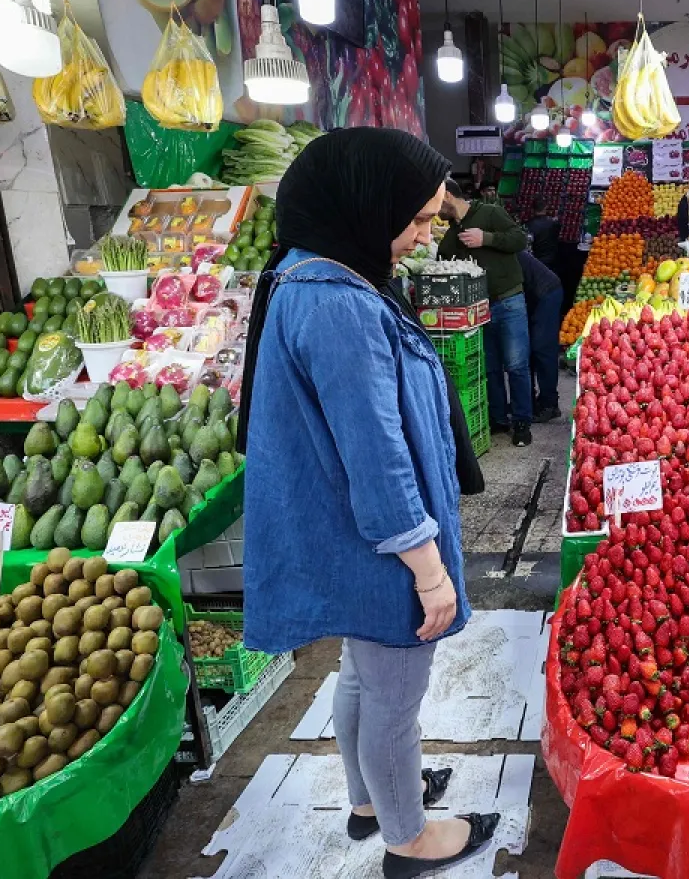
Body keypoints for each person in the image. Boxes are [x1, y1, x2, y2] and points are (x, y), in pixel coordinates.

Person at [238, 128, 499, 879]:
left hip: (349, 537)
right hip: (378, 542)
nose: (424, 236)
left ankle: (367, 800)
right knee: (394, 691)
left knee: (359, 670)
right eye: (416, 220)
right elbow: (378, 458)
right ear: (363, 205)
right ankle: (409, 837)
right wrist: (427, 568)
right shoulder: (340, 307)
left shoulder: (312, 274)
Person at [437, 178, 534, 447]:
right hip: (478, 309)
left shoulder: (490, 212)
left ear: (447, 197)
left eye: (437, 205)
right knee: (489, 367)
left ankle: (522, 422)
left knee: (516, 365)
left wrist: (486, 238)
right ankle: (499, 420)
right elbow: (443, 257)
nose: (436, 212)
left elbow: (519, 239)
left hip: (509, 300)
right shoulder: (452, 234)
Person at [517, 249, 563, 422]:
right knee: (529, 349)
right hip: (533, 295)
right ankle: (533, 401)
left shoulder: (501, 247)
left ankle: (550, 404)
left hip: (546, 293)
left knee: (543, 348)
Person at [525, 197, 560, 270]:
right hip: (551, 260)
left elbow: (527, 245)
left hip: (536, 260)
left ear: (533, 209)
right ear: (546, 207)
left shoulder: (528, 225)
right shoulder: (553, 223)